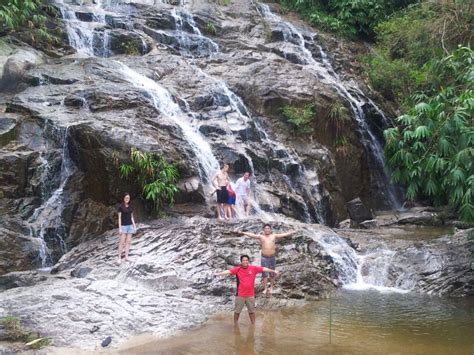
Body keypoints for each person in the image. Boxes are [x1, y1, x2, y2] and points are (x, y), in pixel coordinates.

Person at [215, 254, 278, 324]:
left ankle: (253, 325)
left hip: (250, 295)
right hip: (240, 295)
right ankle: (235, 324)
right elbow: (228, 271)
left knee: (251, 312)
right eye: (243, 260)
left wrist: (273, 271)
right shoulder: (237, 269)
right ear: (241, 262)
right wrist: (218, 274)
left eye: (246, 260)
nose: (245, 261)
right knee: (237, 312)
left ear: (248, 261)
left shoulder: (253, 268)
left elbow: (263, 269)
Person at [238, 224, 295, 295]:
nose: (267, 230)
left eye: (268, 228)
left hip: (272, 257)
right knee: (264, 274)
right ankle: (265, 288)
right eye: (265, 228)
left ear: (270, 230)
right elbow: (252, 235)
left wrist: (290, 232)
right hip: (264, 258)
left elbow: (283, 235)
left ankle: (271, 287)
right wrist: (243, 232)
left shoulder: (274, 236)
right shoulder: (261, 237)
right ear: (263, 230)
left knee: (272, 273)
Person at [117, 193, 137, 263]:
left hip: (130, 226)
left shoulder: (131, 207)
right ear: (123, 198)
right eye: (126, 198)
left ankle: (126, 257)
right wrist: (120, 228)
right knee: (122, 242)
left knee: (128, 242)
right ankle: (119, 258)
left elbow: (131, 217)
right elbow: (119, 218)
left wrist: (134, 226)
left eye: (128, 198)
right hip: (123, 226)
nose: (127, 199)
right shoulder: (120, 207)